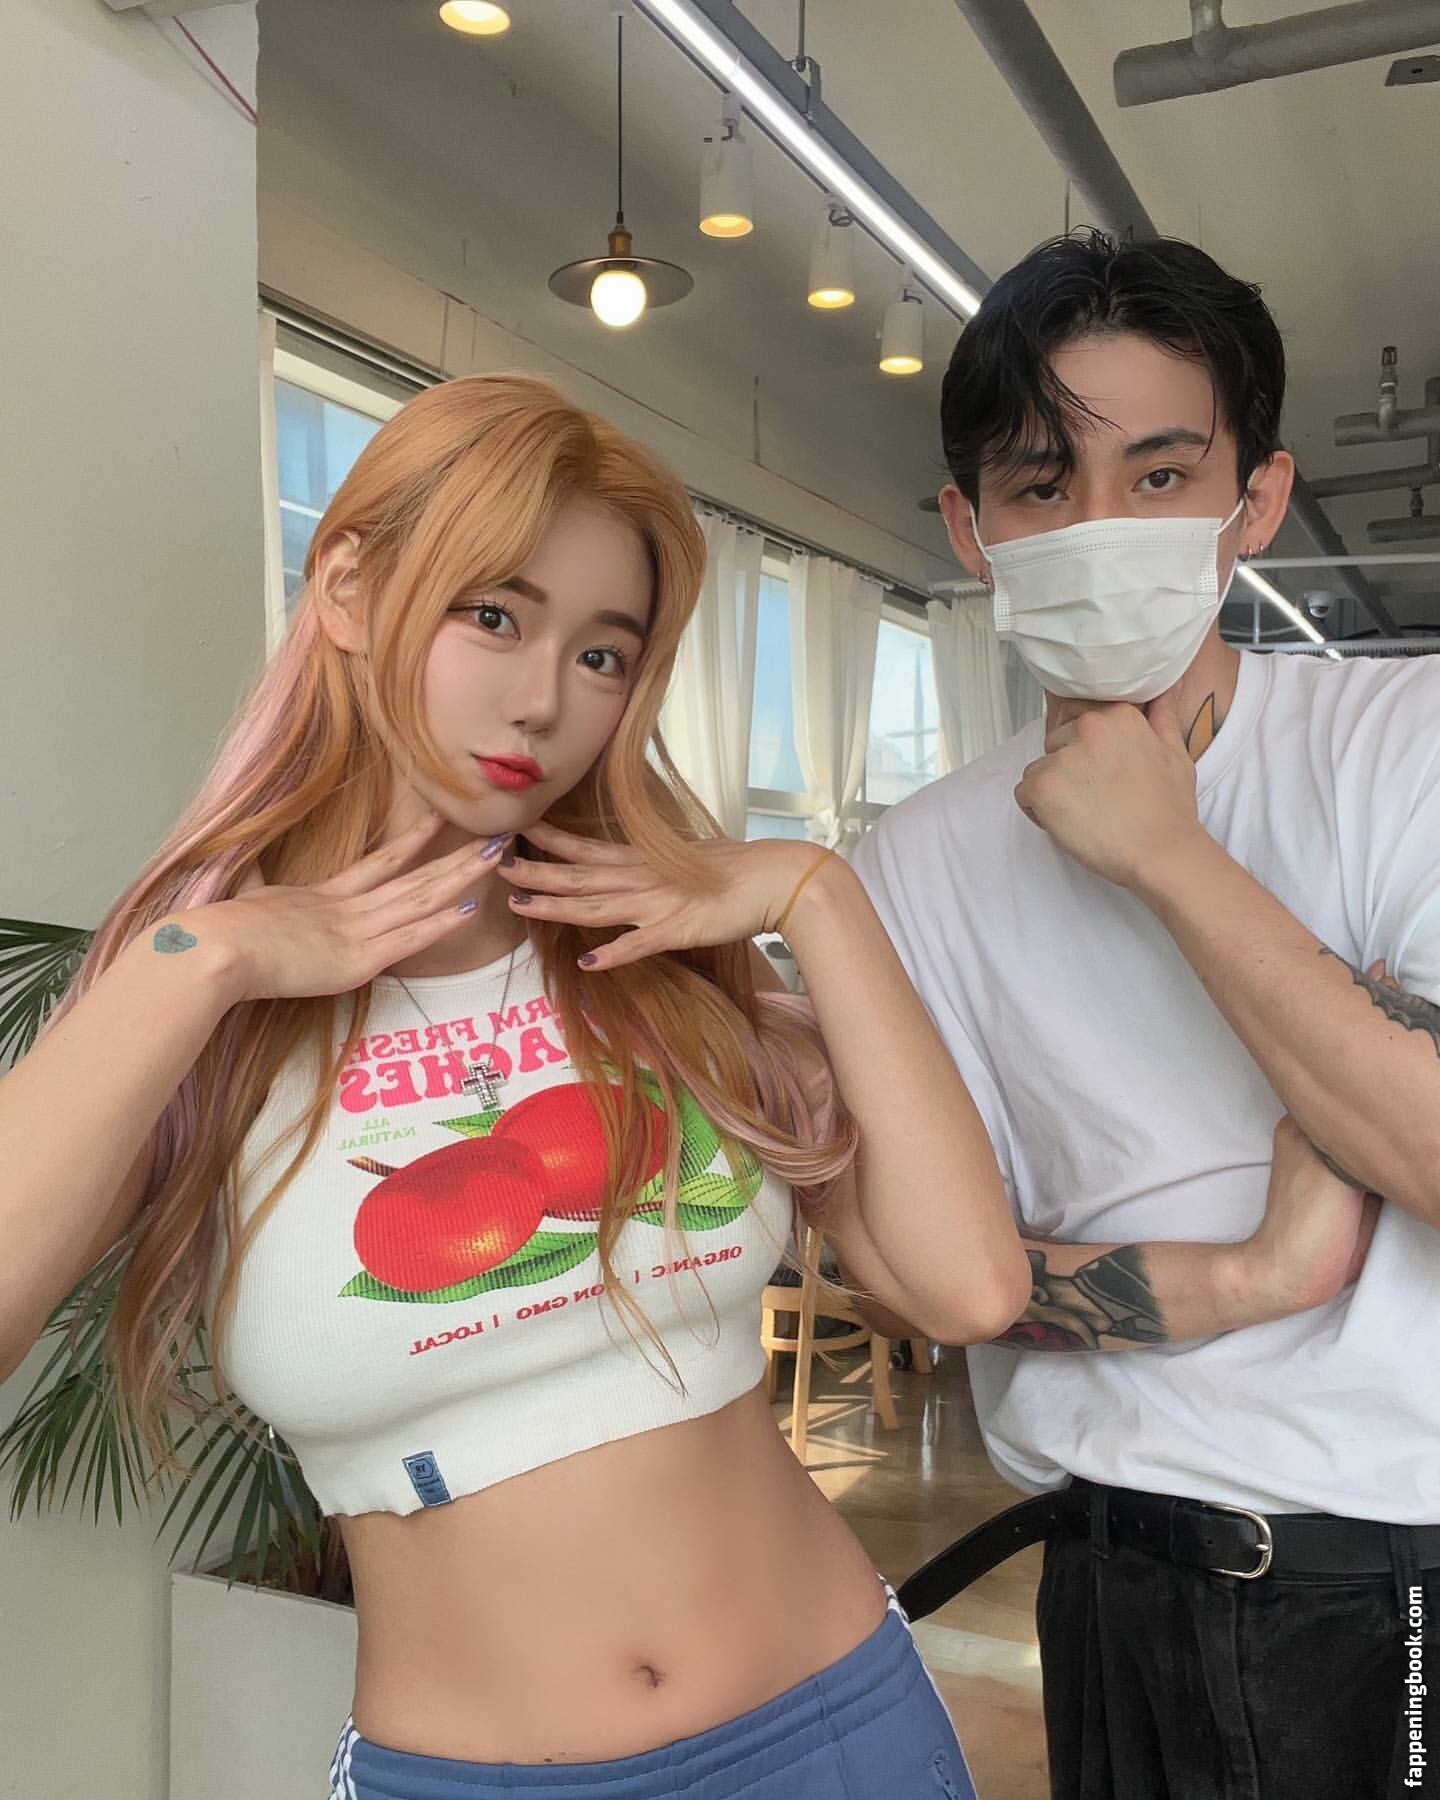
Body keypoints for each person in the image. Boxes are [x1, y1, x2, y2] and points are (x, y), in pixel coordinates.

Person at [0, 374, 1041, 1800]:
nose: (544, 700)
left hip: (840, 1729)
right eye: (493, 615)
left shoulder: (659, 959)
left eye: (603, 654)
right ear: (347, 587)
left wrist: (818, 894)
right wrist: (205, 958)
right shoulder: (205, 1007)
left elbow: (969, 1289)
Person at [847, 229, 1440, 1800]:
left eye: (1162, 474)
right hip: (1113, 1575)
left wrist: (1168, 855)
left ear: (1257, 498)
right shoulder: (906, 868)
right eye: (1045, 486)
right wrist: (1254, 1277)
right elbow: (927, 1276)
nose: (1102, 526)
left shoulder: (1409, 742)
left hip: (1406, 1564)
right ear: (972, 527)